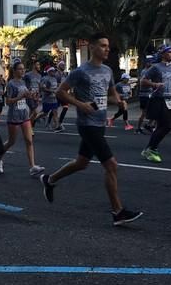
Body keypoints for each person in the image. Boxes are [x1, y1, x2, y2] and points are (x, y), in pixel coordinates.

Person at [40, 34, 143, 226]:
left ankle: (49, 179)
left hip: (100, 122)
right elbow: (60, 92)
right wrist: (81, 105)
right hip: (87, 124)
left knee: (81, 163)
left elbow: (111, 95)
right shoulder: (80, 71)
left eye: (108, 46)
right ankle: (118, 212)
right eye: (103, 45)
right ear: (93, 47)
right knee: (111, 165)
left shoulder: (107, 70)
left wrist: (120, 102)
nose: (107, 49)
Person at [0, 60, 45, 177]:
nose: (23, 71)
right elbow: (8, 102)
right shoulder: (11, 84)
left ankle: (32, 166)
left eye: (23, 69)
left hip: (24, 114)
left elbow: (27, 95)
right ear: (14, 71)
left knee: (29, 141)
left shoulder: (23, 82)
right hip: (14, 116)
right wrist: (20, 97)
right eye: (20, 69)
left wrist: (34, 97)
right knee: (11, 141)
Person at [140, 45, 171, 163]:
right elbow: (142, 81)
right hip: (158, 99)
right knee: (167, 125)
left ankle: (149, 148)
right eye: (169, 52)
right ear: (162, 54)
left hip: (170, 100)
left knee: (169, 125)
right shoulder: (155, 67)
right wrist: (154, 85)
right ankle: (152, 149)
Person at [135, 56, 154, 135]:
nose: (152, 63)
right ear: (147, 63)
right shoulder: (145, 72)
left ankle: (149, 125)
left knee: (154, 111)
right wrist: (153, 84)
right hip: (144, 95)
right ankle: (138, 128)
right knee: (144, 113)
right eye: (150, 62)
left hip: (150, 94)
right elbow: (143, 82)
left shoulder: (151, 71)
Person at [40, 67, 62, 131]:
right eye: (53, 71)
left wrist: (57, 90)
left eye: (54, 71)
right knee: (44, 113)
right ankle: (35, 118)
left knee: (55, 112)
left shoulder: (54, 79)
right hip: (47, 99)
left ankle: (57, 126)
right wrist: (52, 91)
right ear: (49, 72)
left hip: (54, 99)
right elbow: (42, 88)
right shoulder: (45, 79)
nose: (54, 72)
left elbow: (56, 87)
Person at [24, 60, 43, 128]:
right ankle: (28, 127)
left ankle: (30, 128)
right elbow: (24, 86)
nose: (39, 66)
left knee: (32, 113)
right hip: (30, 96)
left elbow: (39, 86)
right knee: (34, 112)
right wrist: (29, 93)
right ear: (34, 65)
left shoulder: (39, 76)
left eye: (39, 65)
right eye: (37, 64)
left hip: (36, 97)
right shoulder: (28, 75)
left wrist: (39, 95)